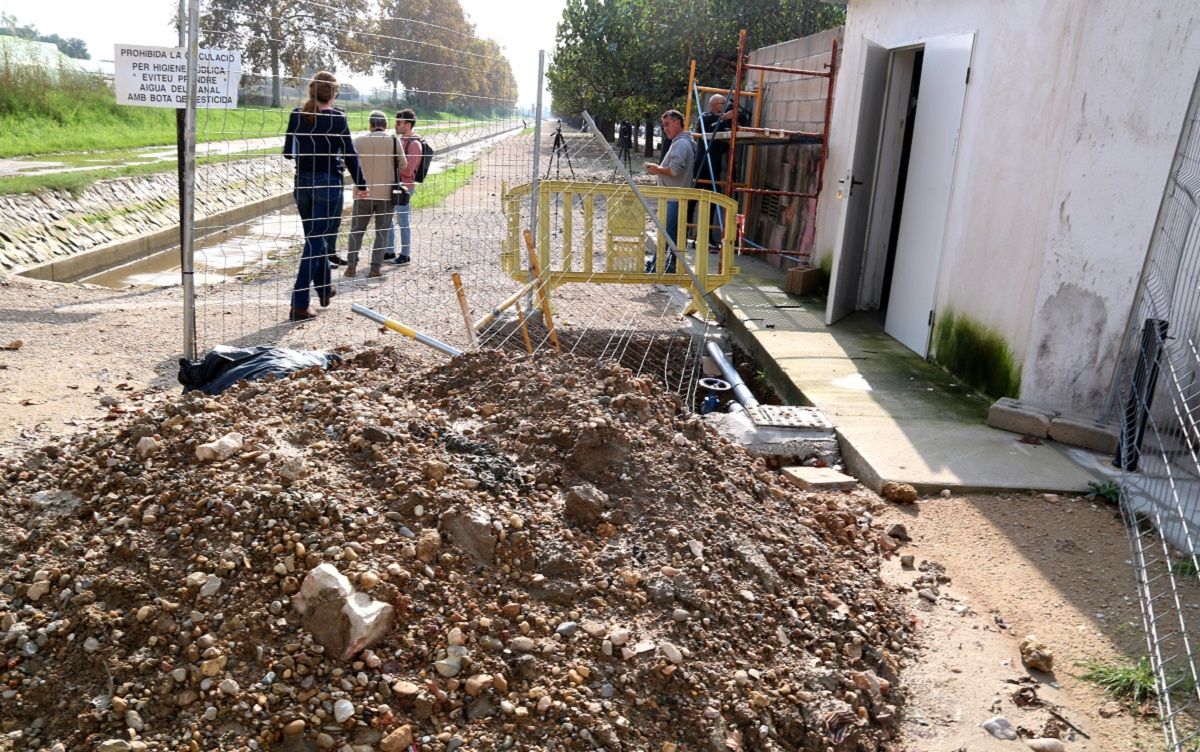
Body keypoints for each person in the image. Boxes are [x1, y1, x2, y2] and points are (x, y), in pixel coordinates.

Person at [282, 71, 368, 322]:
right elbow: (350, 154)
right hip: (328, 183)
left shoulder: (297, 115)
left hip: (302, 183)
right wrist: (361, 183)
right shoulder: (338, 118)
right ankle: (299, 303)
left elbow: (289, 152)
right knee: (317, 241)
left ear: (312, 91)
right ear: (334, 93)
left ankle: (324, 287)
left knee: (313, 238)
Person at [345, 110, 398, 278]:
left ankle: (351, 266)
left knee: (356, 231)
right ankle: (375, 268)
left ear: (370, 124)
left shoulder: (359, 141)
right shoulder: (394, 142)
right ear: (385, 125)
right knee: (382, 232)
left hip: (363, 193)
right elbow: (403, 164)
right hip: (386, 195)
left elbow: (349, 163)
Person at [644, 109, 694, 274]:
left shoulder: (680, 143)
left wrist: (657, 169)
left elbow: (674, 171)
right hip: (675, 196)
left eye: (667, 124)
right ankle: (667, 265)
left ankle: (658, 265)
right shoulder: (681, 142)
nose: (665, 128)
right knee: (672, 234)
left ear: (677, 123)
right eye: (663, 125)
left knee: (667, 234)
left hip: (674, 196)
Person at [692, 93, 737, 249]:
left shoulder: (724, 120)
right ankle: (684, 234)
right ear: (713, 104)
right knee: (692, 202)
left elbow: (725, 143)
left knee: (711, 203)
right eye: (722, 103)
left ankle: (706, 237)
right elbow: (704, 124)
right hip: (701, 167)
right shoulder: (705, 117)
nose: (724, 105)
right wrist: (725, 116)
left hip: (715, 168)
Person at [386, 108, 423, 265]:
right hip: (394, 184)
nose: (396, 125)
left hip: (405, 187)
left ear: (408, 125)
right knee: (387, 219)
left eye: (399, 122)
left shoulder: (414, 144)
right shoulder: (400, 141)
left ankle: (405, 254)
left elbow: (408, 170)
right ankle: (389, 251)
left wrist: (393, 164)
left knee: (403, 220)